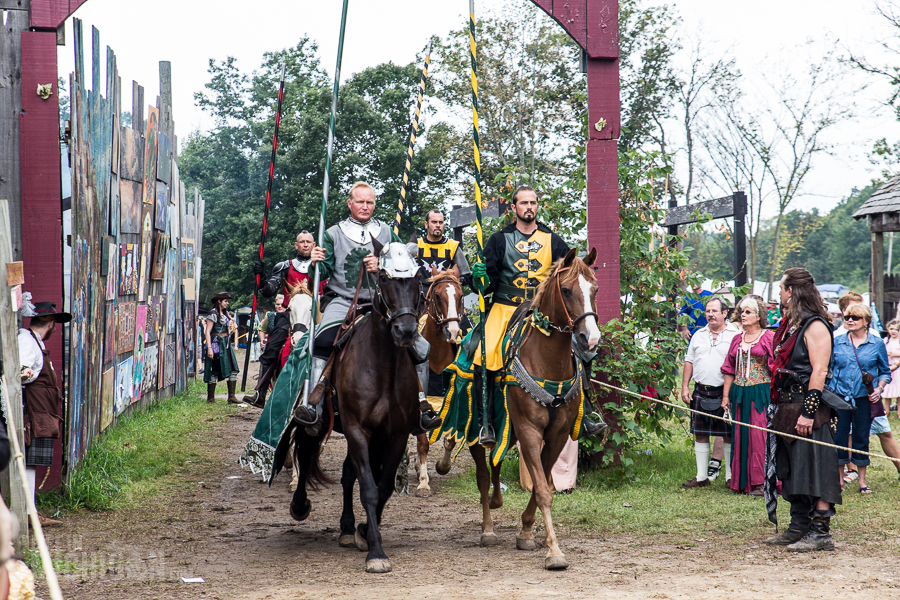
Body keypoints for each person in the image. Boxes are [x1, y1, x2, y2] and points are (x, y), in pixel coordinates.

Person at [298, 181, 440, 432]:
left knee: (419, 345)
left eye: (370, 202)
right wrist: (315, 264)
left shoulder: (386, 232)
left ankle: (421, 407)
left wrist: (384, 262)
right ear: (350, 203)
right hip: (343, 301)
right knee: (321, 340)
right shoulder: (332, 234)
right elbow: (322, 275)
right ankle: (313, 407)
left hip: (384, 304)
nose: (365, 206)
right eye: (360, 201)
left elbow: (404, 263)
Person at [473, 185, 606, 446]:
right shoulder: (499, 240)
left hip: (540, 311)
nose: (529, 207)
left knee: (582, 350)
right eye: (523, 203)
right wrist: (481, 277)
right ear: (513, 208)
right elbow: (485, 286)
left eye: (533, 202)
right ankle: (485, 423)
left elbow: (570, 275)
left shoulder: (553, 240)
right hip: (505, 308)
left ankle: (586, 413)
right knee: (484, 353)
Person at [767, 268, 840, 552]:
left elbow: (819, 370)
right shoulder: (791, 325)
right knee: (792, 468)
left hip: (809, 406)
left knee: (816, 466)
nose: (779, 294)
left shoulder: (815, 325)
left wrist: (808, 412)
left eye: (782, 288)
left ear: (792, 292)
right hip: (787, 404)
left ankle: (821, 532)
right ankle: (799, 525)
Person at [18, 301, 70, 527]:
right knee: (29, 462)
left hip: (39, 410)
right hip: (32, 411)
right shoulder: (27, 342)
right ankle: (29, 513)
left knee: (32, 462)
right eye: (55, 324)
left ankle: (31, 511)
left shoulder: (33, 341)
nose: (56, 328)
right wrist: (24, 372)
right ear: (50, 323)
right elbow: (19, 372)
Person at [830, 303, 891, 494]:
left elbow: (885, 372)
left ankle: (862, 481)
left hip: (865, 398)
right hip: (839, 397)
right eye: (847, 316)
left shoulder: (877, 343)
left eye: (855, 317)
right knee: (838, 437)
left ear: (866, 322)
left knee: (861, 437)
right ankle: (839, 480)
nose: (849, 320)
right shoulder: (837, 341)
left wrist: (879, 389)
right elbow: (829, 368)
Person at [680, 297, 740, 488]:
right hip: (701, 390)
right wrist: (684, 386)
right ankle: (701, 477)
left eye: (715, 311)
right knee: (700, 434)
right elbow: (689, 360)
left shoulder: (735, 334)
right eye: (708, 311)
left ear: (725, 313)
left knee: (728, 434)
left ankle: (730, 477)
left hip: (726, 392)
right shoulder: (698, 334)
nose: (710, 314)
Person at [721, 295, 774, 496]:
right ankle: (741, 482)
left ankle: (760, 482)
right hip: (739, 392)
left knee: (758, 435)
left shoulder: (768, 337)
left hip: (760, 392)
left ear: (759, 316)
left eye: (748, 312)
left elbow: (776, 368)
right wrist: (725, 397)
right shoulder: (737, 339)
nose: (743, 315)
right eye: (742, 311)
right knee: (740, 434)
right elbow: (729, 369)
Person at [241, 294, 291, 408]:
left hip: (292, 335)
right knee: (267, 357)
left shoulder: (293, 313)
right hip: (275, 340)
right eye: (277, 304)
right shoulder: (271, 316)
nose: (279, 306)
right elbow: (262, 329)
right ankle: (260, 394)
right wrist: (263, 340)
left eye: (282, 304)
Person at [254, 230, 325, 299]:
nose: (305, 245)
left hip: (318, 310)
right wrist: (261, 277)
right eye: (302, 242)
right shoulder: (285, 267)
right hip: (290, 310)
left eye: (308, 242)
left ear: (314, 245)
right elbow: (269, 291)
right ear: (296, 245)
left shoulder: (324, 267)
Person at [417, 209, 471, 286]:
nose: (438, 225)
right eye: (434, 222)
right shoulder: (416, 245)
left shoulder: (453, 246)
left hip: (445, 293)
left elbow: (465, 276)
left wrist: (453, 281)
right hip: (420, 294)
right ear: (426, 224)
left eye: (441, 222)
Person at [204, 292, 241, 404]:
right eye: (225, 301)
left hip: (226, 344)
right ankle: (210, 399)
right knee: (214, 370)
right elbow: (207, 331)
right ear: (219, 301)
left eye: (228, 301)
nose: (227, 303)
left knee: (233, 369)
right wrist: (210, 348)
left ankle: (231, 397)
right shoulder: (213, 313)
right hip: (216, 345)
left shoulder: (224, 314)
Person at [883, 319, 900, 414]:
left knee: (898, 391)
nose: (893, 331)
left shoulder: (899, 341)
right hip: (888, 367)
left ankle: (899, 412)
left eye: (896, 329)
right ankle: (887, 411)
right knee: (887, 390)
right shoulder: (886, 340)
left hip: (897, 368)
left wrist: (895, 353)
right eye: (891, 328)